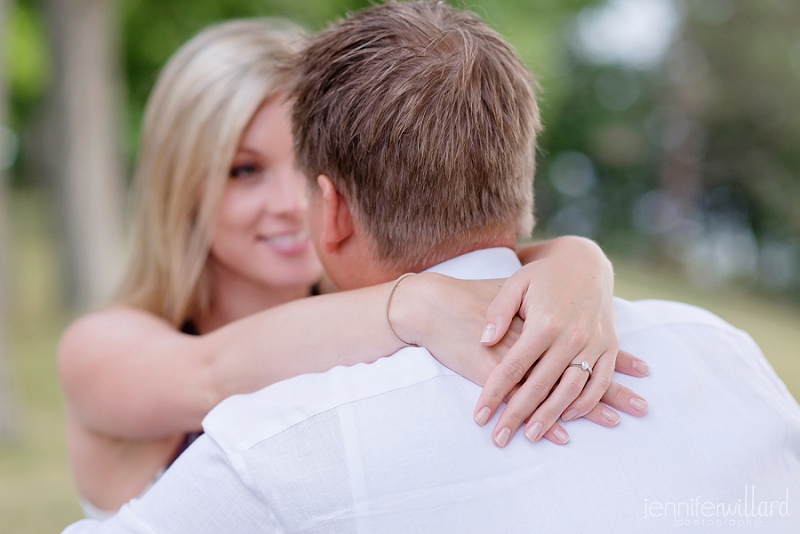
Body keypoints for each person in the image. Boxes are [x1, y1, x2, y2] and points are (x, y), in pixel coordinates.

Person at [60, 2, 800, 533]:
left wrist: (579, 260)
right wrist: (407, 303)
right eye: (244, 170)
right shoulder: (106, 346)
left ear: (334, 195)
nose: (289, 205)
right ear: (178, 181)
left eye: (303, 168)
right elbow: (213, 375)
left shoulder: (410, 328)